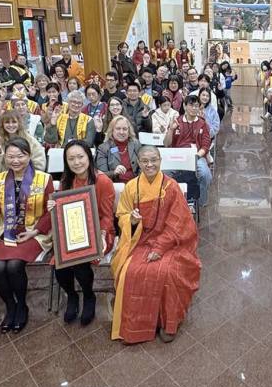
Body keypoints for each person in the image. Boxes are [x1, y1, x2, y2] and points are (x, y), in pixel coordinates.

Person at [111, 145, 201, 343]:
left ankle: (168, 322)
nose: (149, 164)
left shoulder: (171, 187)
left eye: (154, 160)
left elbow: (179, 224)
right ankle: (135, 324)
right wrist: (131, 221)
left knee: (168, 272)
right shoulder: (131, 187)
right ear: (138, 163)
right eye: (145, 161)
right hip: (140, 240)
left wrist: (160, 248)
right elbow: (121, 216)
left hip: (171, 243)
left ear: (160, 161)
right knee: (130, 271)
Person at [0, 137, 53, 333]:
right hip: (5, 232)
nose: (15, 161)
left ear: (29, 156)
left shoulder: (43, 179)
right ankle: (10, 306)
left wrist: (35, 231)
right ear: (5, 158)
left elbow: (50, 212)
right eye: (11, 156)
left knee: (14, 265)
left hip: (34, 232)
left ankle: (22, 306)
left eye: (20, 156)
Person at [46, 140, 115, 326]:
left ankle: (89, 295)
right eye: (71, 159)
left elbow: (107, 216)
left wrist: (101, 235)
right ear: (66, 162)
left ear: (89, 157)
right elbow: (62, 212)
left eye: (80, 157)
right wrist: (53, 207)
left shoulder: (103, 181)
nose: (76, 162)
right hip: (73, 231)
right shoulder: (66, 181)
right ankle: (72, 296)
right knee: (60, 266)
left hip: (100, 232)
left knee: (79, 263)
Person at [164, 95, 212, 208]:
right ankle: (167, 202)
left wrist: (196, 156)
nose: (194, 108)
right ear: (185, 106)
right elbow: (166, 143)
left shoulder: (203, 124)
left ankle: (201, 201)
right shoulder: (177, 122)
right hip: (177, 156)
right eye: (191, 105)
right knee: (163, 174)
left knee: (205, 175)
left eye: (196, 106)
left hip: (196, 156)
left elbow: (205, 146)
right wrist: (171, 129)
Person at [96, 116, 141, 183]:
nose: (121, 132)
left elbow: (142, 166)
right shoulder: (103, 148)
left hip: (135, 183)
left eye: (125, 129)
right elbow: (101, 175)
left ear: (129, 131)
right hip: (115, 185)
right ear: (112, 130)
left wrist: (139, 181)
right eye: (118, 128)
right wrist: (114, 172)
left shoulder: (136, 144)